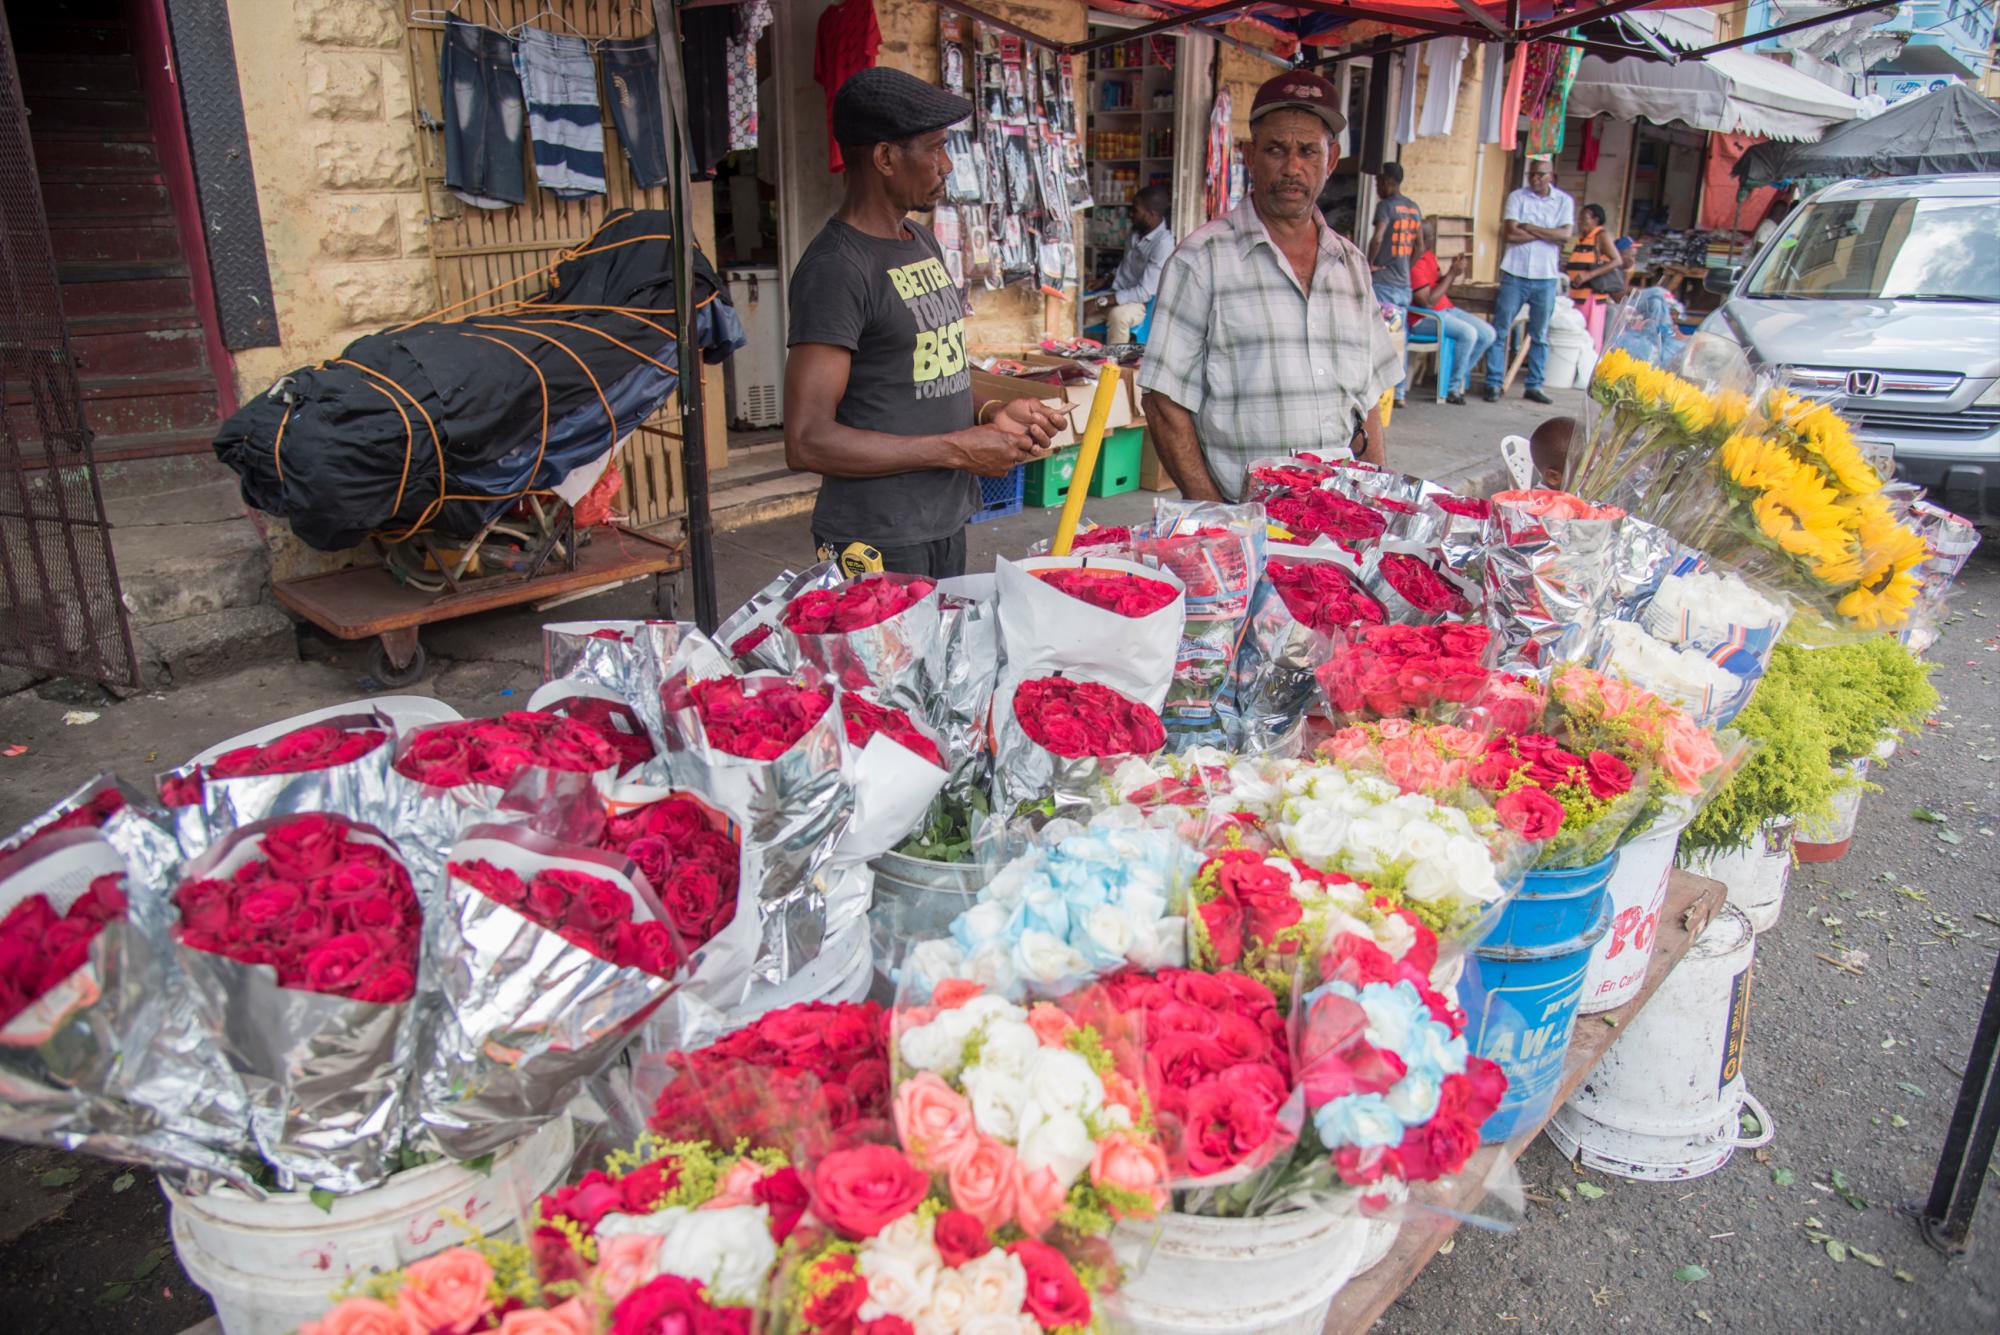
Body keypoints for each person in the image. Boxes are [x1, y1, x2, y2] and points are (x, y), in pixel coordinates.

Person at [784, 68, 1064, 578]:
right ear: (886, 157)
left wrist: (995, 410)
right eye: (934, 148)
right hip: (875, 538)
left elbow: (928, 377)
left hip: (943, 519)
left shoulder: (919, 241)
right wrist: (958, 450)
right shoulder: (836, 269)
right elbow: (806, 440)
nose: (948, 164)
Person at [1139, 70, 1400, 502]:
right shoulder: (1201, 260)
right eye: (1276, 150)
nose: (1293, 167)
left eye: (1308, 151)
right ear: (1249, 154)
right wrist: (1219, 516)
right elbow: (1164, 403)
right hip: (1249, 522)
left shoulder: (1351, 264)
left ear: (1330, 160)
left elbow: (1368, 399)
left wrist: (1377, 502)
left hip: (1341, 518)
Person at [1481, 156, 1574, 406]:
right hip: (1515, 272)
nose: (1535, 179)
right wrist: (1547, 234)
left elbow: (1564, 235)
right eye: (1532, 174)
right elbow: (1510, 233)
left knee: (1540, 333)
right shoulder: (1517, 197)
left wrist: (1530, 227)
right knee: (1501, 329)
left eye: (1541, 174)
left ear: (1551, 175)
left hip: (1545, 276)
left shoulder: (1563, 201)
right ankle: (1493, 382)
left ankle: (1534, 384)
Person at [1407, 220, 1495, 406]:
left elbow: (1438, 284)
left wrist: (1452, 272)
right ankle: (1451, 388)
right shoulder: (1413, 263)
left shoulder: (1429, 256)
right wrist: (1452, 275)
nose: (1431, 241)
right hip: (1423, 318)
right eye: (1429, 237)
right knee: (1468, 334)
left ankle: (1452, 378)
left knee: (1488, 334)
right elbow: (1428, 302)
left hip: (1446, 309)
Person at [1089, 185, 1175, 344]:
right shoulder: (1135, 233)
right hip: (1117, 293)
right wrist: (1107, 278)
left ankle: (1114, 364)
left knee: (1118, 316)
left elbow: (1144, 292)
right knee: (1076, 309)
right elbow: (1128, 265)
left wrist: (1104, 301)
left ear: (1151, 215)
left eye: (1135, 211)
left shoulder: (1163, 244)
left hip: (1141, 303)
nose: (1130, 214)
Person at [1368, 162, 1424, 405]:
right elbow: (1420, 247)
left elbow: (1378, 237)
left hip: (1384, 282)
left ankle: (1380, 395)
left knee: (1380, 338)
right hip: (1404, 285)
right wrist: (1406, 268)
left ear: (1389, 181)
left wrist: (1370, 264)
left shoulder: (1386, 207)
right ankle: (1399, 393)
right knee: (1401, 337)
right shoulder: (1413, 208)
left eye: (1379, 182)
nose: (1377, 186)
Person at [1568, 203, 1625, 352]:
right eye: (1579, 218)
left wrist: (1589, 275)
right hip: (1576, 296)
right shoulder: (1582, 239)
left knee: (1589, 340)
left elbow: (1617, 260)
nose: (1580, 221)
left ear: (1595, 220)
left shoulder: (1600, 236)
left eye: (1584, 218)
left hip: (1591, 297)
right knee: (1577, 337)